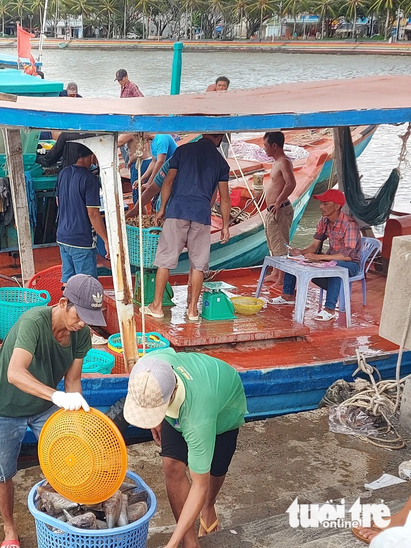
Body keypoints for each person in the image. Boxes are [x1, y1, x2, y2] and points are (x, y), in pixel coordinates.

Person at [0, 274, 106, 548]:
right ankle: (9, 528)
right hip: (5, 404)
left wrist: (78, 421)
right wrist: (56, 396)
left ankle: (66, 516)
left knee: (68, 457)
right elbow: (15, 373)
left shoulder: (80, 334)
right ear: (63, 303)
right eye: (80, 314)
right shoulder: (33, 323)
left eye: (89, 317)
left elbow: (73, 381)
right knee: (2, 472)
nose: (83, 323)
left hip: (42, 404)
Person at [123, 348, 247, 548]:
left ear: (170, 395)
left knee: (214, 469)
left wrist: (170, 544)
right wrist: (155, 418)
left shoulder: (198, 419)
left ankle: (209, 506)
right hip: (189, 389)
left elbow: (200, 485)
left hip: (225, 404)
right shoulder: (148, 368)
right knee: (171, 465)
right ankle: (191, 542)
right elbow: (148, 390)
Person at [141, 134, 231, 322]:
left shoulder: (183, 151)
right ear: (219, 138)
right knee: (198, 265)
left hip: (178, 210)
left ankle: (156, 307)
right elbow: (224, 197)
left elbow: (168, 182)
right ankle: (192, 311)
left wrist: (163, 208)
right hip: (201, 215)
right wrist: (225, 225)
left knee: (165, 261)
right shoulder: (221, 163)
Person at [269, 189, 361, 322]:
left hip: (350, 264)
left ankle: (329, 309)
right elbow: (313, 246)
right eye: (321, 203)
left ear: (336, 206)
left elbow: (348, 256)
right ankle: (287, 295)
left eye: (325, 203)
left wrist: (319, 258)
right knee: (294, 260)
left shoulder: (349, 225)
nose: (320, 207)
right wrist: (300, 252)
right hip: (330, 259)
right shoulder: (323, 221)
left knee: (334, 268)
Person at [55, 144, 109, 285]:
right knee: (86, 285)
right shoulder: (90, 179)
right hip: (81, 241)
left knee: (68, 281)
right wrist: (106, 240)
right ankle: (83, 307)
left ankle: (66, 305)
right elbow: (93, 214)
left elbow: (58, 202)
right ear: (92, 155)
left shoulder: (63, 173)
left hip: (62, 237)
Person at [261, 131, 296, 289]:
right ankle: (275, 272)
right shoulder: (276, 162)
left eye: (266, 145)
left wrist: (279, 201)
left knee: (281, 245)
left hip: (280, 209)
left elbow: (291, 183)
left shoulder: (284, 162)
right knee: (273, 242)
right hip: (273, 210)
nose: (264, 149)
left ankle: (281, 278)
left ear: (274, 145)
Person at [126, 133, 178, 216]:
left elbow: (160, 161)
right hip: (164, 173)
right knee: (154, 206)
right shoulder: (153, 143)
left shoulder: (162, 138)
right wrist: (142, 179)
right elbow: (154, 162)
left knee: (159, 205)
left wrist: (150, 182)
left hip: (173, 175)